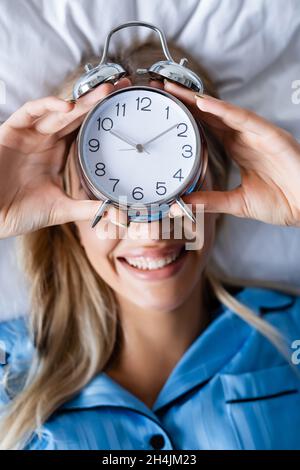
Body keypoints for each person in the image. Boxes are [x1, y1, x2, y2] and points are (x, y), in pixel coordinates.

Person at [0, 40, 300, 450]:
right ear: (68, 222)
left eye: (177, 188)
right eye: (110, 193)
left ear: (220, 188)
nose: (152, 231)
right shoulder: (7, 366)